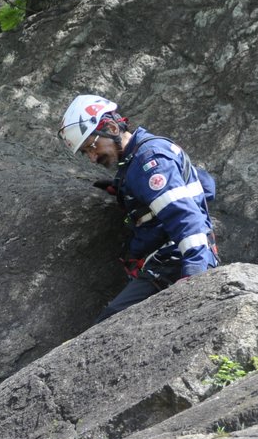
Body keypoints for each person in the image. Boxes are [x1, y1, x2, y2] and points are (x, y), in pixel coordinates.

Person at [58, 94, 218, 323]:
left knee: (107, 327)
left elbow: (185, 216)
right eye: (86, 153)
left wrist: (194, 273)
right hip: (167, 264)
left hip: (175, 265)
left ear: (112, 127)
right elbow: (205, 187)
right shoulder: (141, 157)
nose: (92, 158)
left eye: (91, 147)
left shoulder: (149, 161)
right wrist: (128, 189)